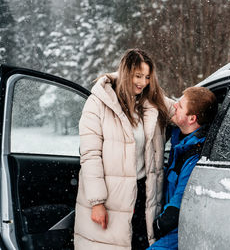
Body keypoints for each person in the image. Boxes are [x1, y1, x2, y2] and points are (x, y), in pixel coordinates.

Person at [74, 49, 175, 250]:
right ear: (125, 71)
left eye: (147, 77)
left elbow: (183, 113)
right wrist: (97, 202)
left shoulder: (152, 100)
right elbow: (90, 155)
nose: (143, 82)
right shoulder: (98, 103)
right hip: (111, 197)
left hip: (143, 195)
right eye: (138, 76)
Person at [148, 87, 218, 250]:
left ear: (192, 118)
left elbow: (179, 205)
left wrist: (160, 224)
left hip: (178, 230)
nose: (175, 106)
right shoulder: (180, 139)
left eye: (180, 105)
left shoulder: (194, 156)